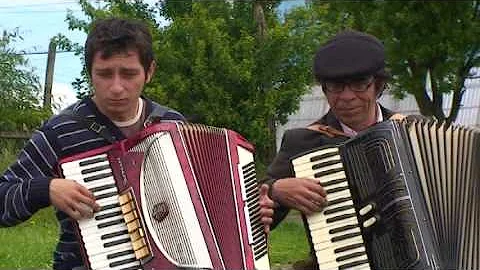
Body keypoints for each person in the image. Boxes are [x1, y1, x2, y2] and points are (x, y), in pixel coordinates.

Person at [0, 18, 184, 269]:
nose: (117, 87)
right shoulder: (60, 131)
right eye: (104, 74)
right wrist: (46, 189)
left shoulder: (172, 125)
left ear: (149, 72)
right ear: (90, 73)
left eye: (129, 74)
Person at [259, 30, 402, 269]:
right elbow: (255, 211)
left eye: (359, 84)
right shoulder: (304, 143)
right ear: (324, 89)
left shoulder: (410, 131)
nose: (347, 97)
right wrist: (276, 190)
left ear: (378, 85)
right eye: (336, 86)